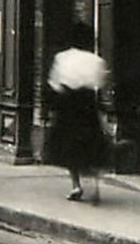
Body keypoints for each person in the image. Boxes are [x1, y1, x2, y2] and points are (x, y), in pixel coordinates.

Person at [44, 22, 111, 203]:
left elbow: (54, 84)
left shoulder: (62, 58)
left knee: (69, 147)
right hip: (87, 105)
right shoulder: (96, 60)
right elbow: (100, 83)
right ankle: (94, 184)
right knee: (92, 144)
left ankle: (76, 185)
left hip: (68, 106)